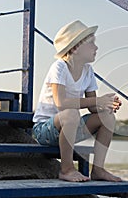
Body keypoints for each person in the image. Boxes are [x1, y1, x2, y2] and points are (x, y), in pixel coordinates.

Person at [32, 20, 122, 182]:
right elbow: (62, 103)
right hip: (45, 130)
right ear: (74, 48)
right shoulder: (59, 67)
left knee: (107, 116)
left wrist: (106, 104)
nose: (96, 47)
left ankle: (98, 170)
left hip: (70, 128)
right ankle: (66, 169)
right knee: (71, 113)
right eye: (91, 43)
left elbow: (93, 108)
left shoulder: (88, 71)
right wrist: (97, 101)